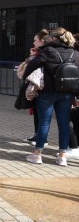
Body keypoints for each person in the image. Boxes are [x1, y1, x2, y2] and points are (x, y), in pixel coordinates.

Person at [24, 27, 79, 166]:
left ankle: (37, 155)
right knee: (64, 124)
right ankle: (62, 157)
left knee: (44, 122)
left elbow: (31, 66)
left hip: (47, 93)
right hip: (67, 94)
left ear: (54, 38)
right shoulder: (75, 53)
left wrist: (27, 78)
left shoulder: (48, 51)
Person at [17, 30, 49, 145]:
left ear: (42, 41)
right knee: (37, 113)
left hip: (41, 87)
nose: (33, 42)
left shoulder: (44, 53)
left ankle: (42, 139)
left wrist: (31, 58)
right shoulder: (40, 52)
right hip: (39, 87)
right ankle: (37, 135)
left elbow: (28, 68)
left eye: (35, 40)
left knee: (42, 115)